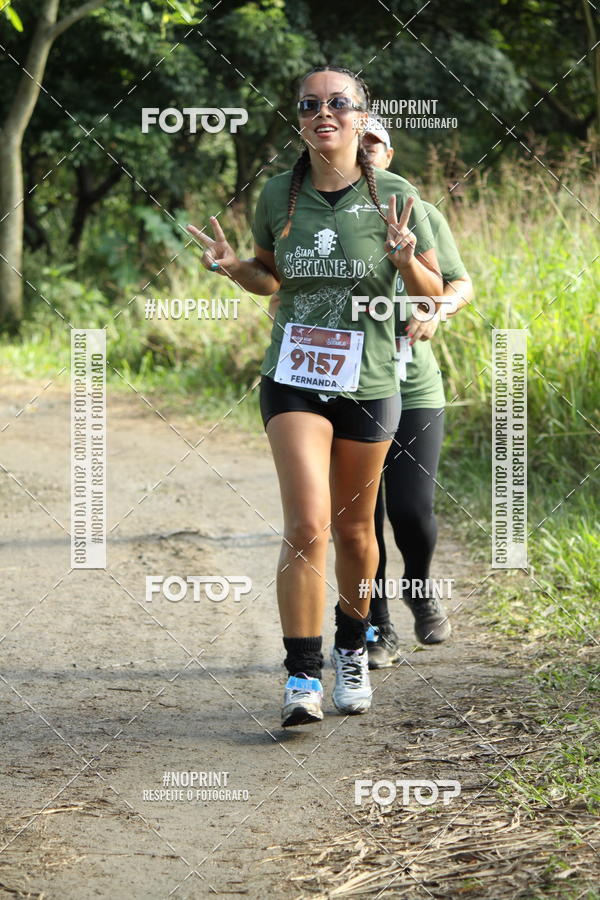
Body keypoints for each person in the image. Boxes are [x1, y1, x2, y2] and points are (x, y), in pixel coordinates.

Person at [188, 66, 442, 727]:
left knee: (356, 532)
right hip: (294, 377)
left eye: (338, 103)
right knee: (307, 527)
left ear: (361, 118)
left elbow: (432, 294)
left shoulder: (394, 192)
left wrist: (407, 256)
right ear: (299, 119)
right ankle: (302, 675)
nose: (322, 111)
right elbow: (269, 282)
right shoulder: (279, 194)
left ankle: (352, 649)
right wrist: (229, 267)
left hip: (373, 380)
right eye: (310, 104)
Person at [359, 118, 474, 668]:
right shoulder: (317, 215)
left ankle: (420, 588)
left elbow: (459, 283)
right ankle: (377, 625)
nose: (363, 152)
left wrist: (435, 309)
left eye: (373, 142)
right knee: (362, 514)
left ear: (390, 152)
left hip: (412, 381)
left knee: (410, 508)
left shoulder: (419, 212)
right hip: (347, 384)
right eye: (356, 142)